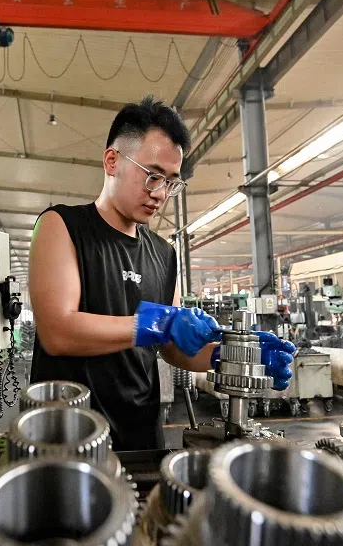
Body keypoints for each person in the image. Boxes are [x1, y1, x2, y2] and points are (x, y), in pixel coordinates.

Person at [28, 96, 293, 450]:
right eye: (152, 176)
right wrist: (158, 323)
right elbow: (58, 332)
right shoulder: (61, 226)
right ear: (112, 161)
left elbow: (173, 349)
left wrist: (230, 356)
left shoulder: (164, 254)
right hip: (67, 439)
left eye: (171, 182)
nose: (160, 193)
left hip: (141, 436)